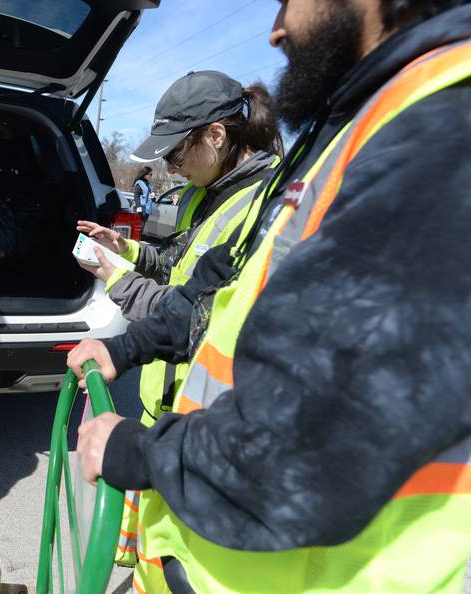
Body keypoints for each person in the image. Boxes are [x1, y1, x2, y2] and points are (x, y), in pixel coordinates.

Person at [70, 0, 471, 592]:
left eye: (287, 1)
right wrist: (126, 347)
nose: (277, 28)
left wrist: (143, 454)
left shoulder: (442, 132)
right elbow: (218, 284)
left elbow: (323, 441)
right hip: (216, 549)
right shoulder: (343, 137)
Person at [76, 72, 283, 567]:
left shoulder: (264, 207)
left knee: (186, 551)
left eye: (175, 153)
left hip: (205, 412)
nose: (171, 165)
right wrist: (125, 248)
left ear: (216, 135)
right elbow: (178, 263)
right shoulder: (203, 191)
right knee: (155, 539)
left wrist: (117, 279)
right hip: (166, 396)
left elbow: (198, 316)